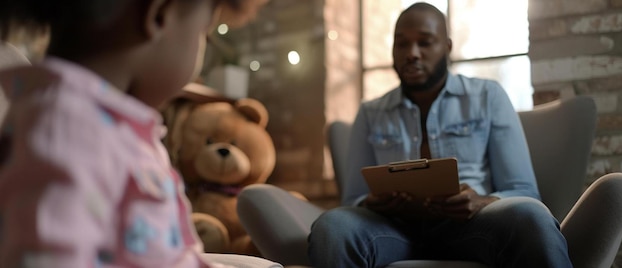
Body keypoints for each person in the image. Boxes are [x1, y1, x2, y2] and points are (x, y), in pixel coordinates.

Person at [0, 0, 266, 267]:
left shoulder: (108, 124)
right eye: (203, 32)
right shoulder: (66, 129)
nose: (200, 49)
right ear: (159, 15)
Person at [308, 2, 573, 268]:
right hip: (393, 233)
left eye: (424, 43)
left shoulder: (488, 97)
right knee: (333, 226)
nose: (412, 53)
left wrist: (481, 202)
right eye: (402, 44)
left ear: (447, 47)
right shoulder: (369, 112)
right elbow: (353, 199)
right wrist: (373, 202)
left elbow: (523, 190)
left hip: (472, 227)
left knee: (531, 215)